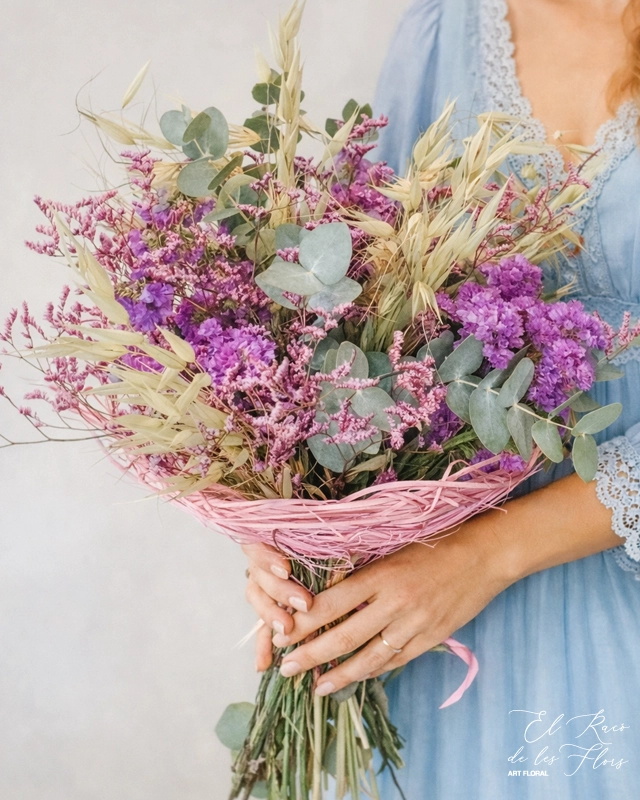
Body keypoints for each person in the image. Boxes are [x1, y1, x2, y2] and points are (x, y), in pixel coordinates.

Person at [243, 1, 640, 795]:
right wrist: (298, 515)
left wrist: (483, 557)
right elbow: (364, 307)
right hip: (426, 606)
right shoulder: (441, 28)